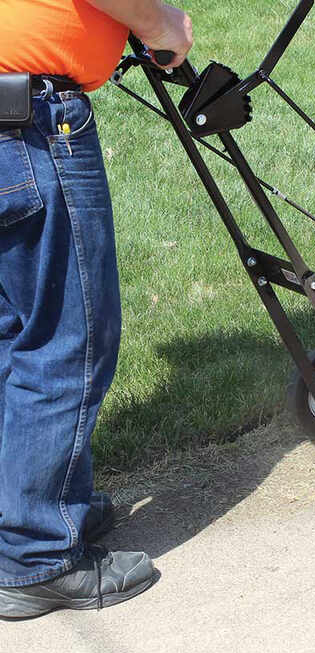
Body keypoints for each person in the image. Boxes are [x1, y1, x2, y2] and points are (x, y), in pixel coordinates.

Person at [0, 0, 192, 619]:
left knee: (12, 332)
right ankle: (36, 557)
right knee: (66, 341)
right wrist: (160, 22)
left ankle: (27, 510)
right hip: (25, 119)